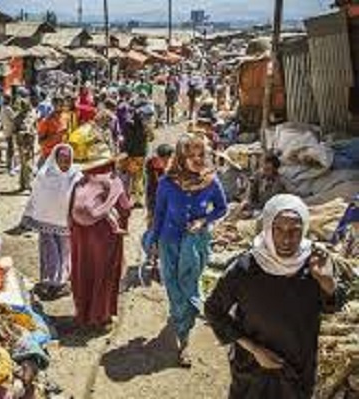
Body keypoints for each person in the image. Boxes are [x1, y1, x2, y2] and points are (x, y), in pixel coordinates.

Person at [205, 194, 344, 399]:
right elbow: (213, 310)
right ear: (268, 227)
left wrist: (327, 282)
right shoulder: (245, 268)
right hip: (252, 371)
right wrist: (254, 349)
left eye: (294, 231)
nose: (286, 239)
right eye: (278, 229)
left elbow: (332, 306)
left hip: (297, 371)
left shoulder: (315, 263)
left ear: (304, 229)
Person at [150, 134, 228, 367]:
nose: (196, 160)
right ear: (181, 158)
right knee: (174, 287)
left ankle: (183, 335)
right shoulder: (166, 183)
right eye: (190, 156)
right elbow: (159, 214)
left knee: (190, 286)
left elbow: (222, 208)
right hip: (169, 241)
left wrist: (203, 221)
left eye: (200, 155)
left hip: (196, 243)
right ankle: (181, 328)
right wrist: (153, 242)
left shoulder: (211, 181)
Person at [70, 160, 132, 329]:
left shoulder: (80, 182)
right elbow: (125, 207)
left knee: (83, 270)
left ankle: (82, 314)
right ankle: (101, 316)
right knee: (104, 273)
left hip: (80, 235)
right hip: (105, 235)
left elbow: (70, 210)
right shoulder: (113, 182)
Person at [22, 144, 83, 300]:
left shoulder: (76, 176)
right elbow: (36, 196)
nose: (65, 164)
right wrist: (32, 214)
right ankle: (49, 281)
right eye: (62, 160)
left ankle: (61, 282)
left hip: (66, 222)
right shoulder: (44, 176)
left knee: (65, 251)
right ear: (55, 159)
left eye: (68, 160)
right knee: (49, 250)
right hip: (46, 221)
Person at [145, 144, 174, 226]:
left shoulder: (169, 165)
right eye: (165, 159)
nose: (167, 161)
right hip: (154, 196)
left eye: (169, 158)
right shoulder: (153, 165)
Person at [37, 97, 67, 168]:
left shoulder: (65, 117)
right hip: (48, 155)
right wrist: (54, 137)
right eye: (59, 104)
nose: (62, 106)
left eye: (63, 104)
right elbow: (40, 141)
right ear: (53, 105)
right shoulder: (46, 121)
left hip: (61, 154)